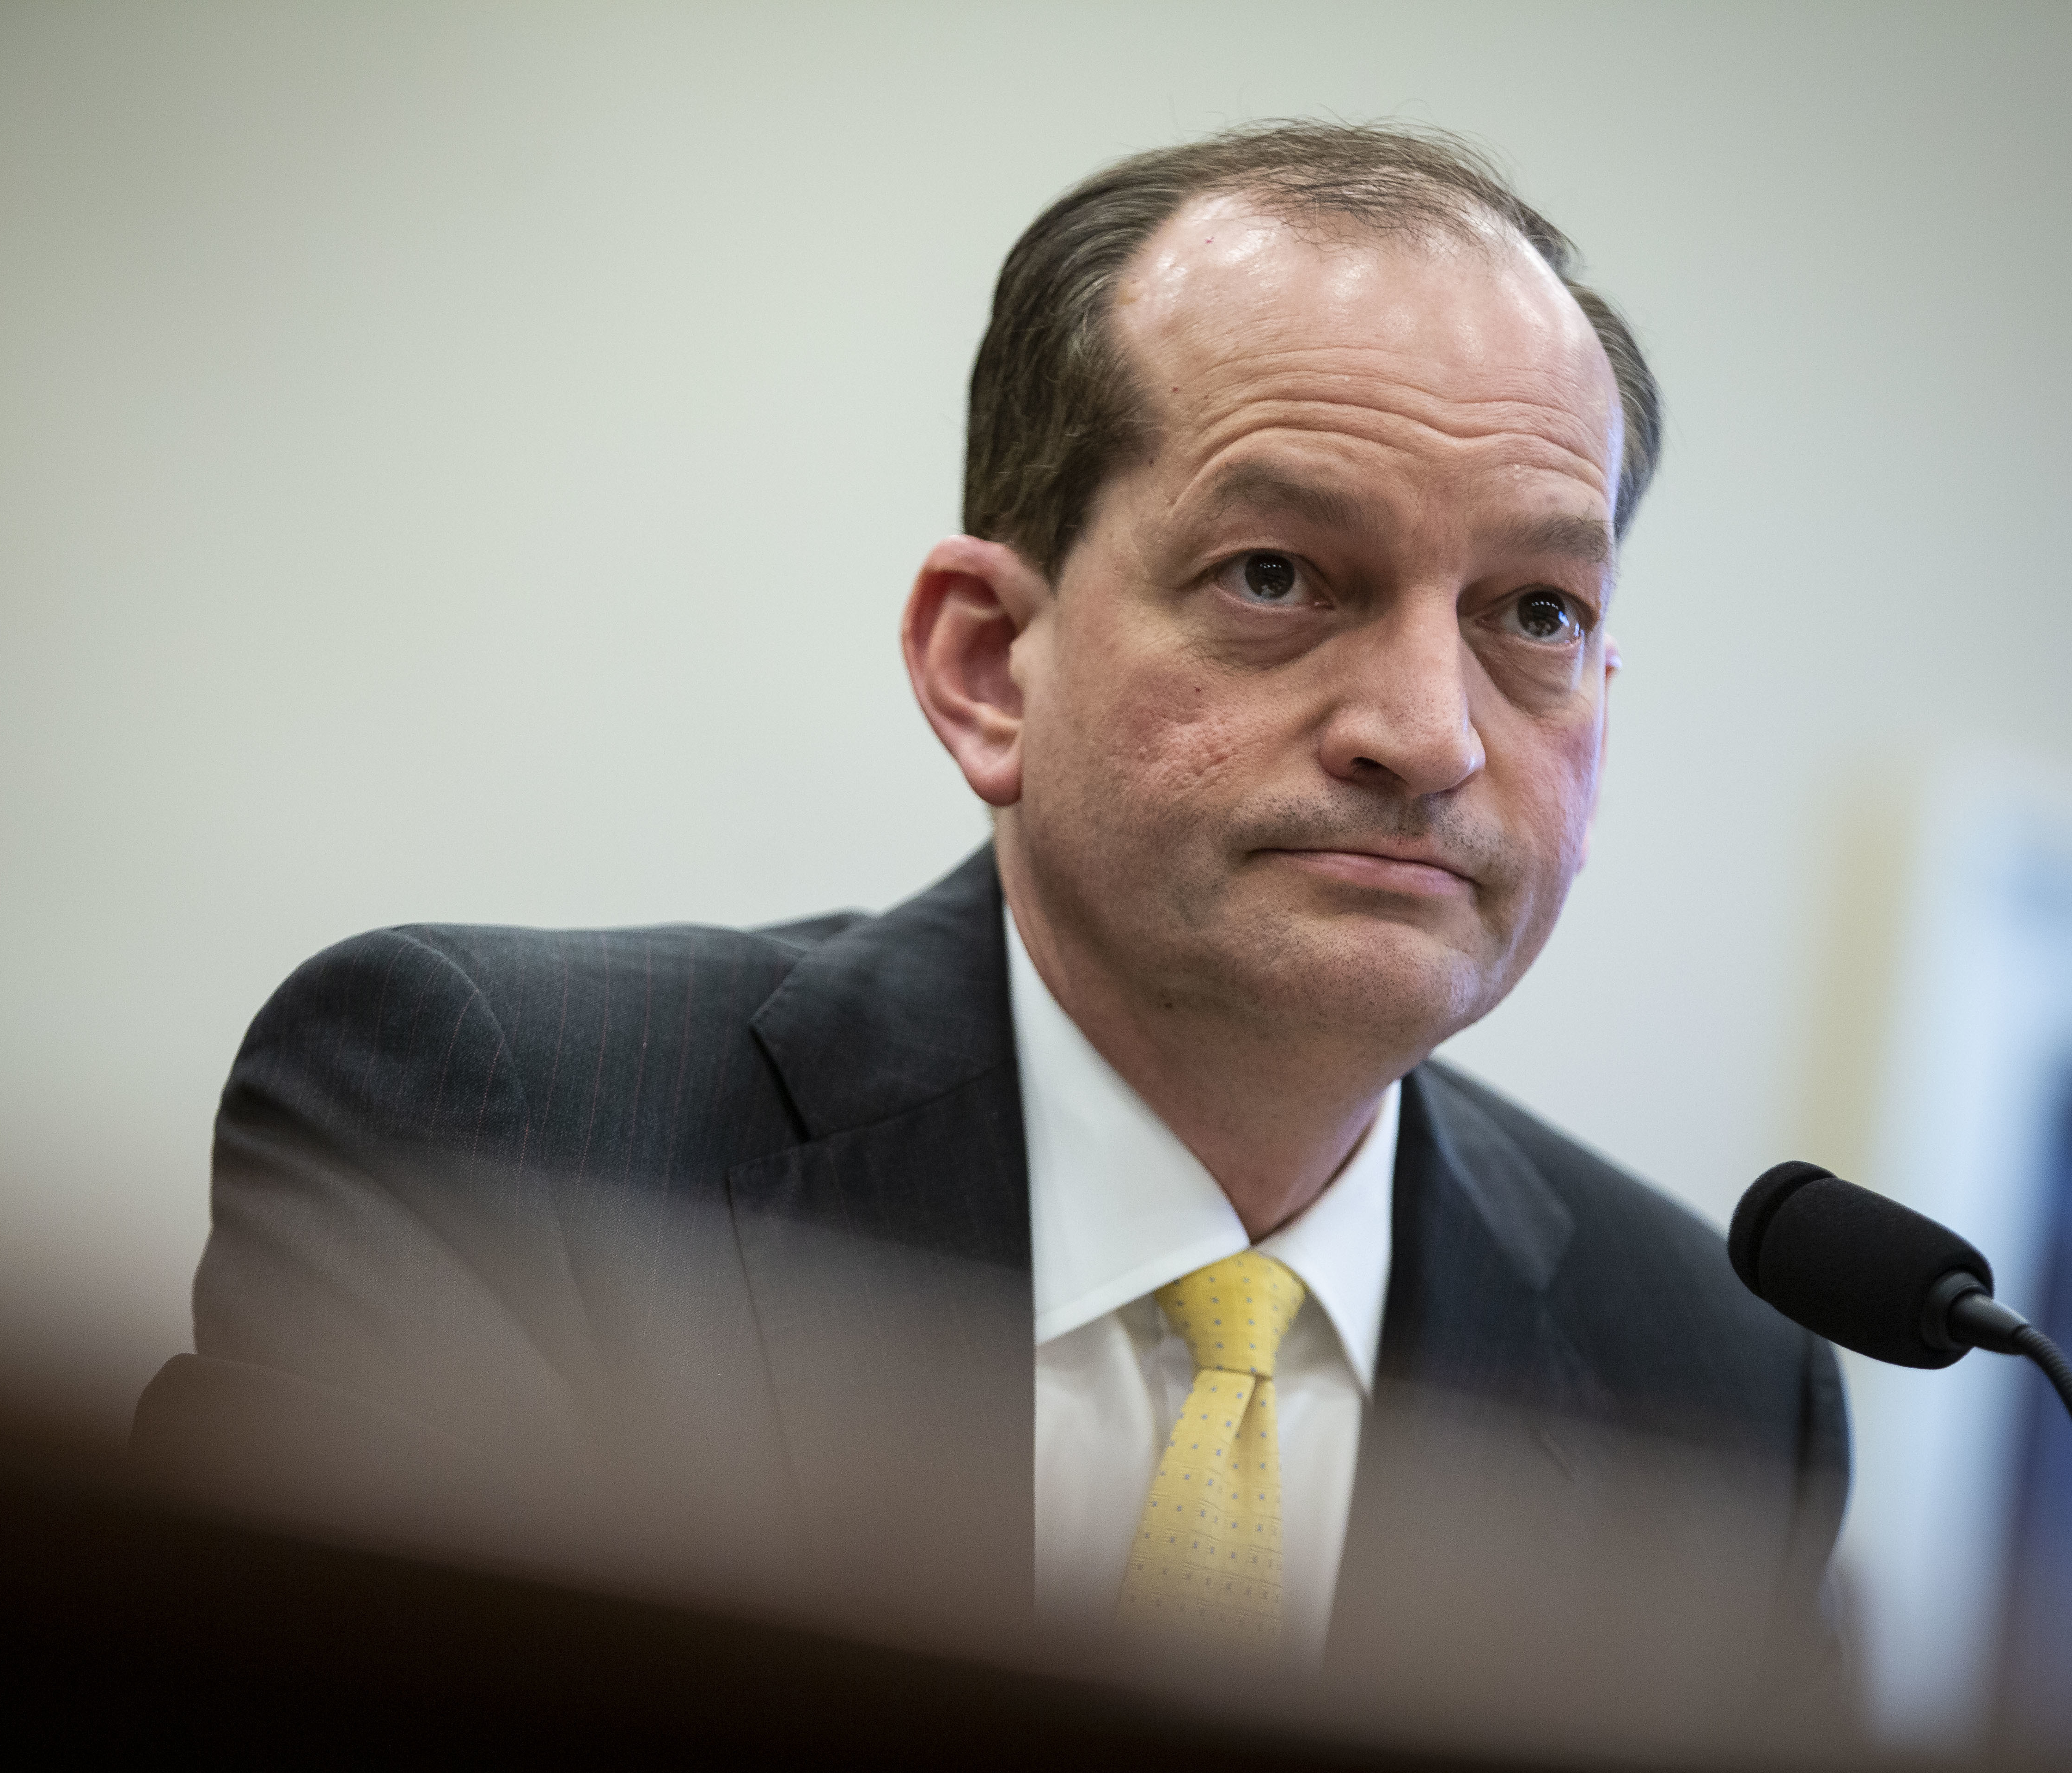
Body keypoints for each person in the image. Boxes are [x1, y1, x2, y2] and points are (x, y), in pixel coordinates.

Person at [136, 122, 1848, 1749]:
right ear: (984, 665)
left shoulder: (1713, 1383)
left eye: (1534, 614)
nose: (1427, 730)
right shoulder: (497, 1132)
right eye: (1277, 574)